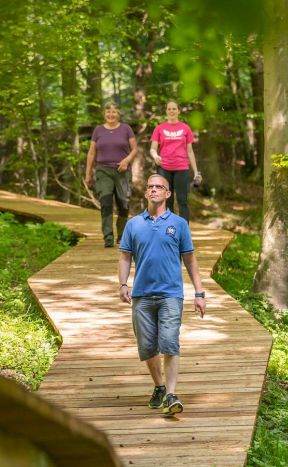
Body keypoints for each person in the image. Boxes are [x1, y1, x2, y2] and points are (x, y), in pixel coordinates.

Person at [118, 173, 206, 415]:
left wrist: (200, 293)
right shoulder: (133, 224)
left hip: (171, 295)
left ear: (168, 194)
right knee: (147, 347)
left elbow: (190, 260)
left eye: (159, 186)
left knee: (169, 343)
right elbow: (125, 256)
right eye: (150, 187)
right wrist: (123, 284)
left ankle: (171, 394)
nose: (154, 189)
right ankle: (159, 386)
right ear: (146, 193)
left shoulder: (179, 224)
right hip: (142, 295)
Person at [85, 103, 139, 247]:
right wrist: (88, 173)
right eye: (108, 112)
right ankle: (108, 237)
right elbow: (91, 153)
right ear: (104, 113)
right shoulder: (98, 130)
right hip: (103, 171)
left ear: (118, 114)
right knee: (106, 202)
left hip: (122, 172)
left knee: (123, 205)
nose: (111, 115)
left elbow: (134, 149)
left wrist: (126, 160)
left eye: (114, 112)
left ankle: (121, 236)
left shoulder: (126, 129)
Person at [149, 100, 201, 223]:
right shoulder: (159, 128)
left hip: (182, 169)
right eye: (169, 109)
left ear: (178, 111)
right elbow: (152, 148)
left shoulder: (185, 128)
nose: (171, 111)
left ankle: (183, 233)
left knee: (183, 201)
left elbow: (190, 152)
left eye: (174, 109)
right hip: (164, 169)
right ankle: (168, 231)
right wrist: (156, 156)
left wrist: (195, 172)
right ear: (166, 111)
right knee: (166, 201)